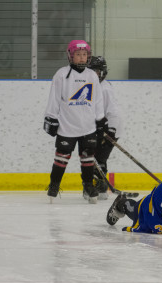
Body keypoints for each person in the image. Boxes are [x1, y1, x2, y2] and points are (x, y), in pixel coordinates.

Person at [43, 40, 106, 204]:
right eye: (78, 55)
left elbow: (98, 100)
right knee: (61, 158)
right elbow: (54, 98)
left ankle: (87, 186)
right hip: (67, 126)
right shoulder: (62, 74)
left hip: (88, 126)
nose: (81, 58)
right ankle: (54, 185)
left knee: (87, 159)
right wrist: (51, 117)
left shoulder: (92, 75)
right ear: (71, 56)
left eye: (84, 55)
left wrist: (100, 119)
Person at [88, 56, 123, 200]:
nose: (94, 74)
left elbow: (113, 112)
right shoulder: (89, 86)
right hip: (97, 128)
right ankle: (100, 187)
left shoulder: (105, 89)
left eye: (97, 71)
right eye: (91, 71)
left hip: (109, 128)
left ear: (102, 72)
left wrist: (111, 131)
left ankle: (98, 188)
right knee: (94, 158)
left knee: (99, 158)